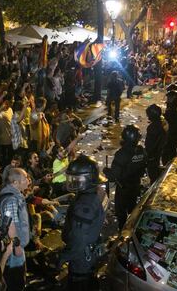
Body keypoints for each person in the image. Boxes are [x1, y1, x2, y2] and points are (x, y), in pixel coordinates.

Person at [60, 155, 107, 291]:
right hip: (92, 249)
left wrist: (63, 257)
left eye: (76, 179)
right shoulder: (98, 192)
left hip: (81, 257)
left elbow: (79, 239)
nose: (72, 182)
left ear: (88, 178)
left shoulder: (84, 206)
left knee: (79, 283)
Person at [103, 125, 147, 231]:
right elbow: (144, 165)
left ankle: (123, 230)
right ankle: (133, 228)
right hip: (136, 185)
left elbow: (114, 176)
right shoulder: (141, 151)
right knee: (133, 208)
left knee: (121, 211)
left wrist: (106, 171)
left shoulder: (122, 154)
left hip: (123, 188)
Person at [0, 168, 30, 291]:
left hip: (15, 246)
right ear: (15, 183)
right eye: (25, 178)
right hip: (14, 250)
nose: (28, 180)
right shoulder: (11, 200)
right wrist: (17, 247)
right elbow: (11, 224)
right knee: (16, 280)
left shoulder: (13, 195)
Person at [145, 104, 168, 183]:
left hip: (153, 154)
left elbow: (150, 144)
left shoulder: (153, 127)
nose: (148, 117)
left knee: (152, 173)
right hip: (158, 152)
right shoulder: (162, 123)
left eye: (149, 115)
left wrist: (149, 155)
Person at [162, 90, 177, 165]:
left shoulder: (174, 108)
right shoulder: (176, 106)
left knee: (168, 151)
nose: (167, 98)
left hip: (172, 134)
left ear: (173, 98)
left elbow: (171, 121)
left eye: (169, 97)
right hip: (174, 133)